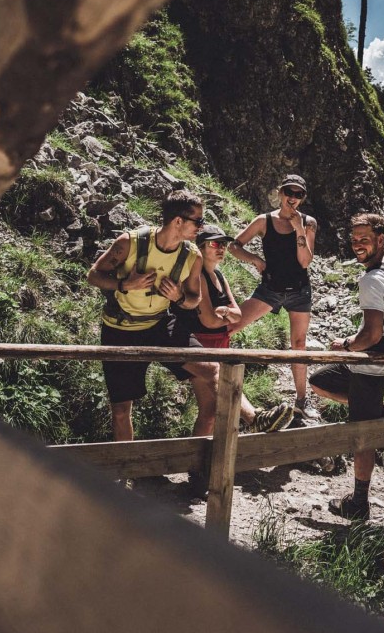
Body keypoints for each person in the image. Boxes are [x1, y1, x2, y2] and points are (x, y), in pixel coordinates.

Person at [86, 190, 218, 444]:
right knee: (122, 410)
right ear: (178, 221)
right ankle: (127, 471)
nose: (201, 228)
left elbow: (194, 299)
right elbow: (94, 275)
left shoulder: (192, 256)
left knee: (211, 369)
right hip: (119, 329)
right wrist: (125, 285)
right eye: (198, 221)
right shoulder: (130, 243)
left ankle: (200, 457)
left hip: (160, 324)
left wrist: (179, 297)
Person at [308, 212, 384, 521]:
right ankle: (378, 411)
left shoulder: (371, 278)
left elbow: (371, 334)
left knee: (361, 437)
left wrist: (346, 345)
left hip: (370, 369)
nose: (357, 245)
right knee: (319, 381)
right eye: (354, 240)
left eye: (364, 239)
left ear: (381, 239)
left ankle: (359, 503)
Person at [172, 222, 294, 435]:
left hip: (220, 343)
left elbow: (237, 314)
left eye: (224, 244)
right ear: (200, 247)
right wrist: (225, 316)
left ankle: (198, 462)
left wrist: (224, 314)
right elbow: (209, 321)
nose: (221, 248)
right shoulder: (197, 275)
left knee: (209, 410)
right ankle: (254, 418)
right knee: (213, 400)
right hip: (202, 343)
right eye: (215, 244)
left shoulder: (218, 275)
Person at [228, 174, 318, 426]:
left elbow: (305, 262)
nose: (293, 198)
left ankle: (302, 399)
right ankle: (217, 372)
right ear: (280, 192)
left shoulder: (309, 223)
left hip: (300, 290)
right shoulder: (264, 221)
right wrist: (255, 260)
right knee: (232, 326)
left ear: (303, 198)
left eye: (299, 194)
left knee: (298, 344)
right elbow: (234, 246)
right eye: (289, 192)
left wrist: (299, 227)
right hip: (270, 288)